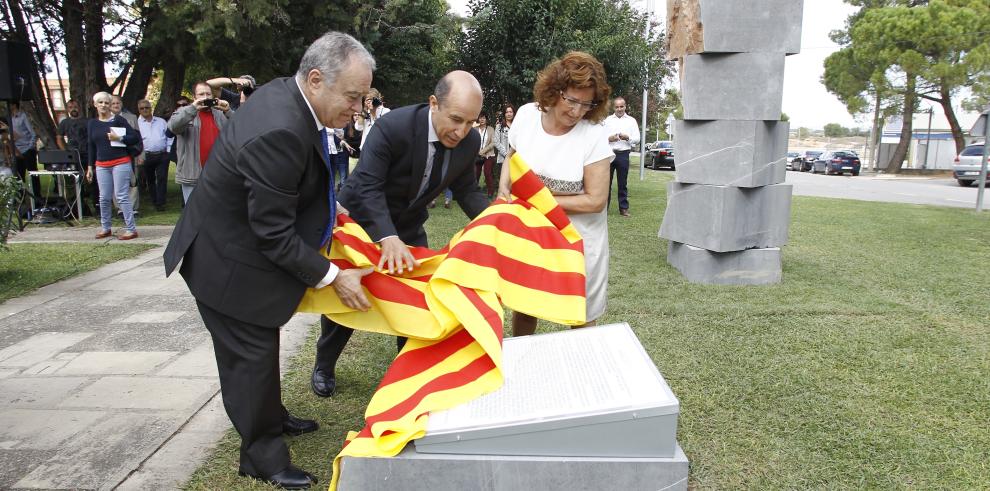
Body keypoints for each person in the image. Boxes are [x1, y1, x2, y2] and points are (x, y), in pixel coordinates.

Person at [163, 31, 375, 490]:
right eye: (354, 97)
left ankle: (272, 416)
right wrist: (334, 276)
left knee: (261, 349)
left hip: (233, 244)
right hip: (227, 262)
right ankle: (261, 456)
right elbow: (273, 234)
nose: (357, 109)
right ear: (316, 79)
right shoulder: (282, 125)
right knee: (250, 358)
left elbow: (292, 189)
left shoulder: (290, 95)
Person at [311, 70, 491, 398]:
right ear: (434, 103)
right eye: (455, 119)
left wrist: (496, 221)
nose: (462, 131)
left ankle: (408, 373)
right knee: (349, 298)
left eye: (470, 122)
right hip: (362, 224)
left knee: (416, 300)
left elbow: (467, 191)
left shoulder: (470, 141)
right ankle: (324, 363)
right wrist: (386, 237)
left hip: (409, 226)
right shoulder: (393, 127)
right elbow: (368, 184)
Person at [496, 51, 614, 336]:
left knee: (581, 318)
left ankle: (580, 374)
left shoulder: (593, 134)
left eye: (587, 104)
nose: (576, 112)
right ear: (554, 90)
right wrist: (503, 191)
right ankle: (522, 368)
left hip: (578, 241)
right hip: (532, 237)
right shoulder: (526, 115)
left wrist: (539, 200)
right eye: (571, 100)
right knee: (525, 306)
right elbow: (512, 157)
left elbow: (596, 200)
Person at [86, 92, 141, 240]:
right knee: (103, 197)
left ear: (110, 105)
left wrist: (119, 138)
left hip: (120, 162)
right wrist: (90, 167)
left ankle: (131, 229)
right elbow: (91, 145)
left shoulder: (119, 120)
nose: (104, 105)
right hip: (101, 164)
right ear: (95, 105)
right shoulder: (92, 123)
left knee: (121, 195)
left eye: (106, 103)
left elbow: (135, 137)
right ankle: (106, 227)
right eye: (101, 102)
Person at [168, 82, 230, 204]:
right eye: (201, 94)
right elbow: (173, 127)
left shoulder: (220, 114)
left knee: (217, 216)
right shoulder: (185, 112)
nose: (205, 97)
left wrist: (228, 111)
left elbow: (238, 130)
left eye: (208, 94)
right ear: (194, 97)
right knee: (194, 217)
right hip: (192, 176)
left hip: (218, 175)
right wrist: (192, 108)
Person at [603, 96, 639, 217]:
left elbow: (637, 139)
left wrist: (627, 137)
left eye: (621, 106)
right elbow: (600, 137)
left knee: (622, 183)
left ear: (625, 106)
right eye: (617, 106)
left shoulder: (631, 121)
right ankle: (604, 209)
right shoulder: (607, 120)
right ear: (614, 107)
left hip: (623, 154)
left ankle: (623, 208)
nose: (619, 109)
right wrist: (609, 138)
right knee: (606, 183)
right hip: (609, 153)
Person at [57, 99, 94, 212]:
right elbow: (59, 138)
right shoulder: (64, 123)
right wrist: (66, 152)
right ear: (67, 109)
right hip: (73, 156)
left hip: (87, 154)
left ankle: (94, 204)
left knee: (91, 180)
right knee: (74, 181)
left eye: (75, 106)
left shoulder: (88, 121)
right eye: (70, 107)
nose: (73, 109)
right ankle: (77, 205)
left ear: (79, 108)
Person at [136, 99, 170, 211]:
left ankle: (161, 202)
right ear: (139, 110)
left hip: (162, 155)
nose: (145, 110)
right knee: (150, 179)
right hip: (147, 155)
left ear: (151, 108)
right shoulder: (137, 123)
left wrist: (168, 150)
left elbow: (169, 136)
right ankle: (154, 200)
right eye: (142, 108)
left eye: (147, 107)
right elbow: (136, 141)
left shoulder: (161, 121)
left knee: (162, 178)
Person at [110, 94, 141, 213]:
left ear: (121, 104)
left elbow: (138, 137)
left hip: (130, 154)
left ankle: (133, 207)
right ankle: (120, 208)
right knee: (116, 182)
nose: (115, 105)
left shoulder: (131, 117)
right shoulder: (106, 119)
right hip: (113, 154)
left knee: (132, 181)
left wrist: (140, 155)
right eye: (113, 103)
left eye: (117, 103)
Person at [9, 101, 39, 198]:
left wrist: (30, 147)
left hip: (27, 149)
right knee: (18, 175)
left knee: (32, 173)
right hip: (16, 150)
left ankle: (37, 197)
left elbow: (33, 133)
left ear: (14, 104)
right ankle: (20, 198)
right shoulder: (9, 118)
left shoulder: (23, 116)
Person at [493, 102, 515, 193]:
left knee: (514, 182)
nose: (509, 114)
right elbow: (496, 142)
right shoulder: (499, 126)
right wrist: (507, 154)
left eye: (510, 112)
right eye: (507, 112)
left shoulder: (517, 126)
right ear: (504, 114)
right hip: (503, 158)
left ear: (513, 113)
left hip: (516, 159)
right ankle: (501, 201)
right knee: (504, 183)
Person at [474, 112, 496, 198]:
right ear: (478, 119)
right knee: (476, 173)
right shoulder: (475, 129)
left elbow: (493, 143)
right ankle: (474, 191)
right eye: (480, 118)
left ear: (486, 119)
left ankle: (490, 192)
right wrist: (477, 152)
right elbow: (472, 141)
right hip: (477, 155)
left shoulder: (491, 129)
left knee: (487, 172)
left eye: (483, 118)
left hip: (488, 155)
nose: (482, 119)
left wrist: (483, 151)